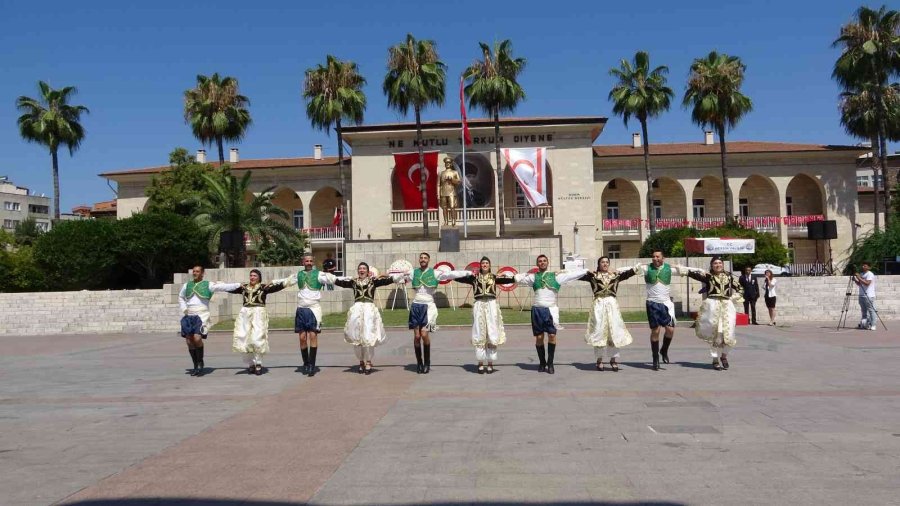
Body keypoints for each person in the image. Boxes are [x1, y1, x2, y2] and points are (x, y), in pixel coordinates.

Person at [513, 254, 587, 374]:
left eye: (544, 261)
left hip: (551, 310)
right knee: (539, 337)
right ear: (537, 264)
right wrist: (504, 276)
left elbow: (571, 275)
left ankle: (550, 363)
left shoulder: (556, 276)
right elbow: (517, 278)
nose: (542, 263)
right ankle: (542, 363)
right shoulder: (533, 277)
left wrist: (586, 271)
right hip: (537, 309)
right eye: (540, 261)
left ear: (548, 263)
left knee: (552, 336)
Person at [402, 252, 470, 374]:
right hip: (416, 305)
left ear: (428, 260)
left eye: (425, 258)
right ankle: (419, 363)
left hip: (428, 306)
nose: (423, 260)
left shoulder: (435, 272)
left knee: (424, 335)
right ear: (419, 260)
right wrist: (387, 276)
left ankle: (427, 362)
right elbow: (400, 276)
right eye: (421, 258)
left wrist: (468, 272)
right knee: (417, 337)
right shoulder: (414, 272)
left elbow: (451, 274)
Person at [273, 254, 338, 376]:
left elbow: (333, 279)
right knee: (302, 338)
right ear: (303, 262)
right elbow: (285, 282)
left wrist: (351, 280)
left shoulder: (319, 274)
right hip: (301, 309)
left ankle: (312, 365)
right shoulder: (298, 275)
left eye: (310, 261)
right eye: (306, 261)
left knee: (313, 336)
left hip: (314, 309)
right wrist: (271, 283)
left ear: (313, 262)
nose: (308, 262)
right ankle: (306, 363)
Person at [451, 256, 516, 374]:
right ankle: (480, 363)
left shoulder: (495, 277)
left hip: (491, 305)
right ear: (480, 265)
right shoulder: (474, 278)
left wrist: (521, 277)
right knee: (479, 331)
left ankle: (490, 363)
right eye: (483, 263)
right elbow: (459, 278)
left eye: (486, 263)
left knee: (491, 331)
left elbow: (510, 279)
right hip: (479, 304)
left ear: (489, 265)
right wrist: (449, 274)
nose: (484, 265)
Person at [333, 263, 400, 375]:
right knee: (357, 337)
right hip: (357, 311)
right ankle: (361, 362)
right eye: (360, 268)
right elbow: (340, 282)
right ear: (357, 271)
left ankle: (368, 362)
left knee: (368, 336)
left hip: (369, 311)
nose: (362, 270)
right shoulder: (353, 282)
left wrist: (396, 277)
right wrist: (328, 278)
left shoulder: (373, 281)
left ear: (368, 271)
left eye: (364, 268)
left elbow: (387, 281)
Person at [576, 257, 637, 372]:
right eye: (602, 262)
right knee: (599, 332)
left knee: (614, 331)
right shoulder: (593, 276)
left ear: (609, 264)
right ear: (598, 264)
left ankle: (613, 360)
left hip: (612, 305)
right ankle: (599, 360)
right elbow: (576, 275)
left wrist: (619, 270)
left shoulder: (615, 275)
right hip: (598, 305)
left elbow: (631, 272)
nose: (605, 264)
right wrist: (586, 271)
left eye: (606, 262)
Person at [178, 265, 241, 377]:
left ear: (202, 273)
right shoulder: (186, 285)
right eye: (194, 271)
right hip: (189, 314)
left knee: (197, 338)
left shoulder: (208, 284)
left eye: (197, 271)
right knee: (189, 341)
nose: (195, 273)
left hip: (201, 315)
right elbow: (181, 297)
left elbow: (223, 287)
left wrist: (238, 285)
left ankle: (200, 360)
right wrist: (184, 309)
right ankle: (195, 365)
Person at [634, 250, 692, 370]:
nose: (655, 258)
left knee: (670, 330)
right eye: (653, 256)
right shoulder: (646, 268)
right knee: (656, 331)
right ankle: (655, 358)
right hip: (652, 303)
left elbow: (688, 271)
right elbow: (629, 270)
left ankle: (664, 350)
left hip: (666, 304)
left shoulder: (669, 269)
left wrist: (678, 266)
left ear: (663, 258)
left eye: (657, 256)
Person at [686, 257, 743, 371]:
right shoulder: (708, 276)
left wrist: (733, 298)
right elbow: (693, 274)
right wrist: (683, 270)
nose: (718, 265)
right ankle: (715, 360)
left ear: (722, 264)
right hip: (713, 307)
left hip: (727, 307)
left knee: (729, 334)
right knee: (716, 335)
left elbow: (740, 288)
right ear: (712, 265)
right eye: (715, 263)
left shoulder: (730, 276)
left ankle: (724, 357)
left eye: (719, 263)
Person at [228, 269, 285, 375]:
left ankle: (258, 363)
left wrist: (276, 281)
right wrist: (219, 285)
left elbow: (280, 286)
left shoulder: (264, 287)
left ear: (259, 277)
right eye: (251, 275)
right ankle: (251, 364)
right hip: (245, 313)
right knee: (244, 337)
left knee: (257, 338)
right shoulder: (244, 287)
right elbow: (229, 288)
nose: (252, 277)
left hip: (259, 313)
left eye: (254, 276)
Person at [854, 262, 877, 330]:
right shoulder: (861, 274)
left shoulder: (870, 274)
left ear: (869, 267)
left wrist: (858, 277)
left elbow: (867, 283)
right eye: (863, 265)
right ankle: (864, 323)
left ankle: (873, 324)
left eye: (865, 266)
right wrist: (855, 280)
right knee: (863, 311)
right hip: (861, 295)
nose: (863, 267)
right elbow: (860, 283)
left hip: (869, 295)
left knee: (871, 310)